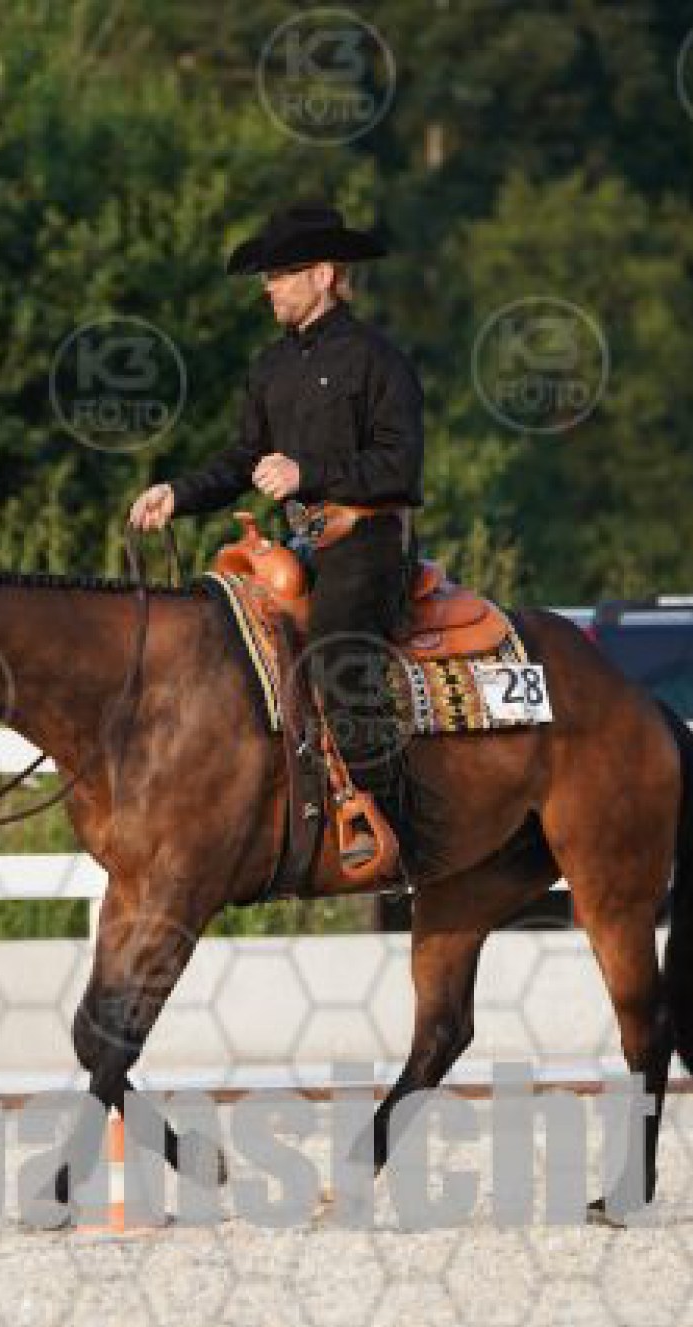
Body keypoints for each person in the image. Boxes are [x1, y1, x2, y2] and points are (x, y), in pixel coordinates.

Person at [129, 202, 425, 871]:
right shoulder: (269, 367)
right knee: (215, 642)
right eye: (267, 276)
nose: (269, 287)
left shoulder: (379, 361)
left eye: (283, 273)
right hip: (298, 546)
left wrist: (306, 473)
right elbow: (243, 460)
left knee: (336, 657)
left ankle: (395, 826)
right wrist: (179, 494)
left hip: (369, 542)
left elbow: (400, 465)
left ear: (324, 274)